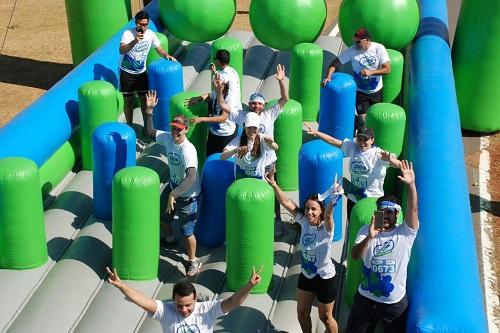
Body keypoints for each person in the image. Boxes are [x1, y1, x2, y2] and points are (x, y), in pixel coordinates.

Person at [345, 160, 418, 332]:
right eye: (381, 211)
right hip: (365, 299)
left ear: (397, 213)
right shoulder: (366, 230)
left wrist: (411, 185)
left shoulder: (405, 233)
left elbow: (413, 210)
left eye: (389, 212)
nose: (385, 215)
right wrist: (370, 237)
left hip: (394, 305)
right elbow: (355, 256)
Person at [265, 171, 340, 333]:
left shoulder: (326, 228)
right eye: (307, 209)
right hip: (307, 275)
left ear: (321, 211)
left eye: (314, 209)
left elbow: (328, 216)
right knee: (302, 313)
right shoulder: (304, 221)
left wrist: (332, 202)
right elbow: (287, 203)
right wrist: (274, 184)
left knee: (325, 318)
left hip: (325, 278)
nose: (309, 212)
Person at [144, 91, 202, 277]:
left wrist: (173, 195)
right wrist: (149, 111)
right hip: (173, 188)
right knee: (162, 216)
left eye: (179, 129)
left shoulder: (188, 150)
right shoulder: (168, 138)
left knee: (187, 232)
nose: (175, 132)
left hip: (187, 196)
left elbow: (191, 177)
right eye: (173, 128)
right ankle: (169, 238)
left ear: (186, 129)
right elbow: (150, 132)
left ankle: (193, 261)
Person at [106, 265, 263, 333]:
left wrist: (249, 285)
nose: (183, 310)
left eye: (188, 305)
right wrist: (121, 286)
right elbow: (143, 301)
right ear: (173, 299)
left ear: (195, 299)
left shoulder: (207, 309)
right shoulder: (165, 311)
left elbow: (233, 302)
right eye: (179, 305)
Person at [232, 64, 289, 235]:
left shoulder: (269, 114)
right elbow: (224, 107)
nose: (256, 106)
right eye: (253, 103)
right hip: (250, 160)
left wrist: (281, 81)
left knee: (272, 188)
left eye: (259, 103)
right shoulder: (244, 116)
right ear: (249, 104)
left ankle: (276, 219)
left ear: (263, 105)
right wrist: (219, 90)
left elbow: (285, 98)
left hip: (268, 162)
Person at [304, 125, 401, 218]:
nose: (362, 142)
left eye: (365, 139)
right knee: (352, 225)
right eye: (359, 139)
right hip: (354, 196)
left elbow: (399, 165)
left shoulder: (378, 154)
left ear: (372, 140)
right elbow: (333, 141)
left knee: (374, 228)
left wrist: (390, 160)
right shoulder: (352, 147)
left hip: (373, 199)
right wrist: (317, 133)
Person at [322, 28, 391, 132]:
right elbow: (334, 64)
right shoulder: (352, 51)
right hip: (361, 93)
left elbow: (388, 69)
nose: (356, 44)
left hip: (376, 92)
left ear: (367, 40)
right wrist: (328, 77)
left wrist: (371, 72)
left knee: (375, 121)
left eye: (359, 41)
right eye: (355, 41)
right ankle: (361, 133)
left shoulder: (379, 48)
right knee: (364, 122)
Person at [119, 10, 176, 129]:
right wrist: (135, 41)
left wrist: (166, 55)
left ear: (148, 23)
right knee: (128, 102)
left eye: (144, 24)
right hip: (127, 73)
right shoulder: (128, 33)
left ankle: (147, 128)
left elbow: (159, 48)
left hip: (141, 73)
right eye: (140, 24)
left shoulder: (151, 34)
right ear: (136, 23)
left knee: (144, 102)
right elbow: (121, 50)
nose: (142, 27)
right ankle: (129, 126)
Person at [186, 71, 239, 157]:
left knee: (222, 160)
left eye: (218, 84)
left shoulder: (230, 97)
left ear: (225, 85)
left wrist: (202, 119)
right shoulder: (217, 92)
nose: (215, 86)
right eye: (214, 83)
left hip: (226, 134)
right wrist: (198, 98)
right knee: (209, 157)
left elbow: (223, 118)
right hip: (214, 132)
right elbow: (209, 95)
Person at [220, 112, 278, 180]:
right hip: (241, 178)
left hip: (258, 178)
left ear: (258, 128)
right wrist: (235, 150)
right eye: (249, 127)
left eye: (254, 128)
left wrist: (271, 143)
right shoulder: (238, 139)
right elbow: (222, 157)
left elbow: (276, 147)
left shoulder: (262, 138)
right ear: (244, 127)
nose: (252, 130)